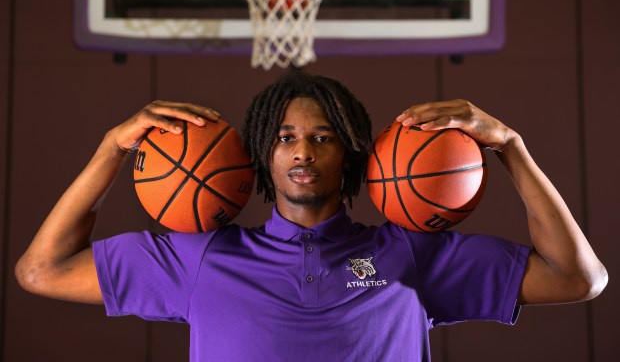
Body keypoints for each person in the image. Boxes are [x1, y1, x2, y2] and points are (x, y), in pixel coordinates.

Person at [15, 71, 607, 361]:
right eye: (285, 137)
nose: (302, 151)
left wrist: (511, 147)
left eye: (322, 137)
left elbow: (580, 278)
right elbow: (40, 271)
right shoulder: (200, 257)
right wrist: (111, 149)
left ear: (351, 153)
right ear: (258, 156)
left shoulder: (410, 254)